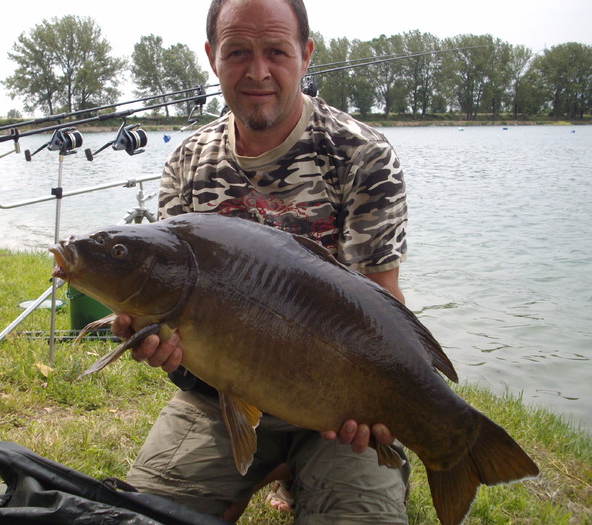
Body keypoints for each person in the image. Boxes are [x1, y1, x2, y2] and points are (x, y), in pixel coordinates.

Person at [113, 0, 410, 522]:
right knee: (142, 517)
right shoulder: (187, 163)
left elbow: (382, 301)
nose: (257, 71)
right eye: (237, 52)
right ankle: (262, 465)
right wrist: (154, 340)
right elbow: (173, 310)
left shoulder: (362, 154)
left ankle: (306, 467)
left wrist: (380, 403)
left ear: (306, 54)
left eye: (276, 50)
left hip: (334, 407)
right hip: (218, 398)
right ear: (211, 57)